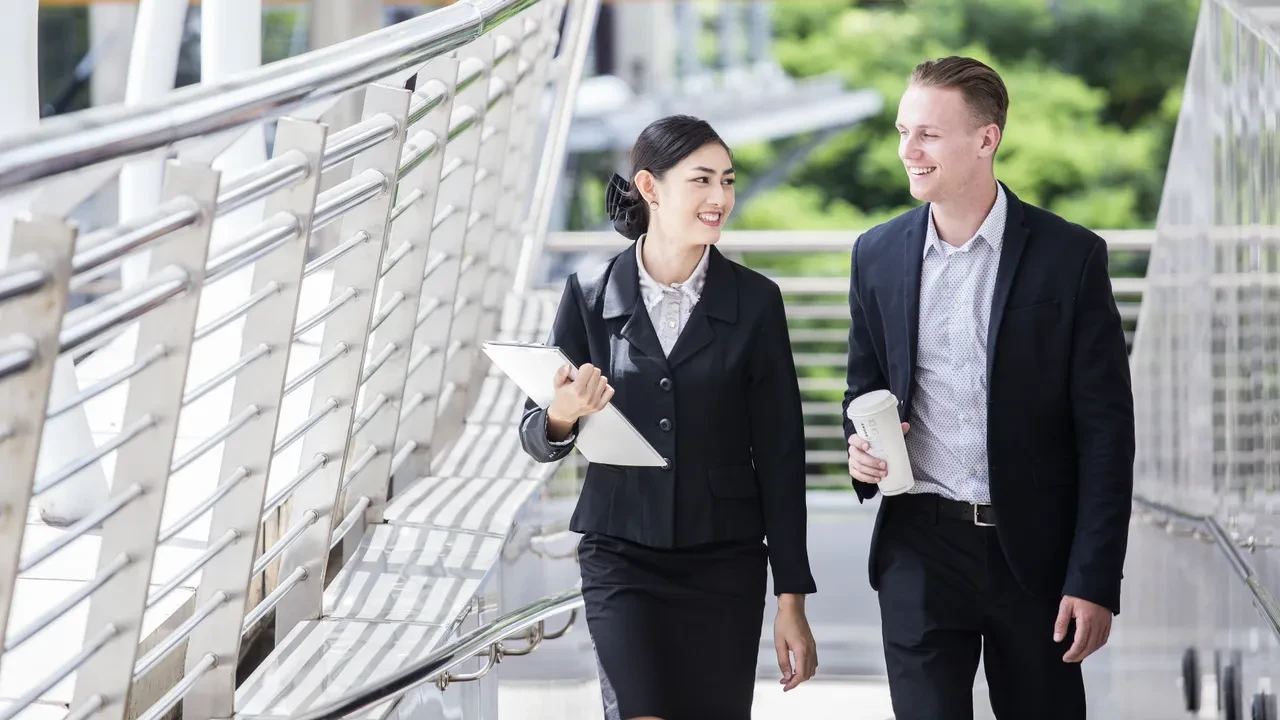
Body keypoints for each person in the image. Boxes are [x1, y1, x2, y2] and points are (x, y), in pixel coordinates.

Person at [842, 56, 1135, 719]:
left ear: (985, 139)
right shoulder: (877, 255)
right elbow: (863, 392)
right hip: (918, 544)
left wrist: (1094, 580)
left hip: (1033, 558)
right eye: (901, 131)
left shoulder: (1071, 257)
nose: (906, 152)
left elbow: (1107, 434)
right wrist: (862, 453)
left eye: (927, 135)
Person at [519, 114, 818, 720]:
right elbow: (537, 434)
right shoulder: (589, 293)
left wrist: (792, 601)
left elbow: (782, 456)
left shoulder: (757, 302)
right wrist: (564, 412)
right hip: (620, 552)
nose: (720, 198)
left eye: (728, 181)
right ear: (650, 188)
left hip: (725, 560)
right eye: (702, 180)